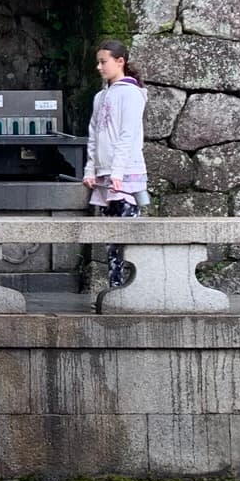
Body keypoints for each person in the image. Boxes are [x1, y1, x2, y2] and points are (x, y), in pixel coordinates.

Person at [84, 38, 148, 292]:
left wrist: (118, 171)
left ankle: (127, 288)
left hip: (125, 172)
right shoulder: (101, 96)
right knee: (111, 238)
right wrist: (92, 169)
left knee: (125, 236)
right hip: (105, 173)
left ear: (120, 62)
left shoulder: (131, 94)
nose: (100, 67)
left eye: (104, 62)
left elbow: (127, 134)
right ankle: (114, 287)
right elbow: (94, 134)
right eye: (98, 62)